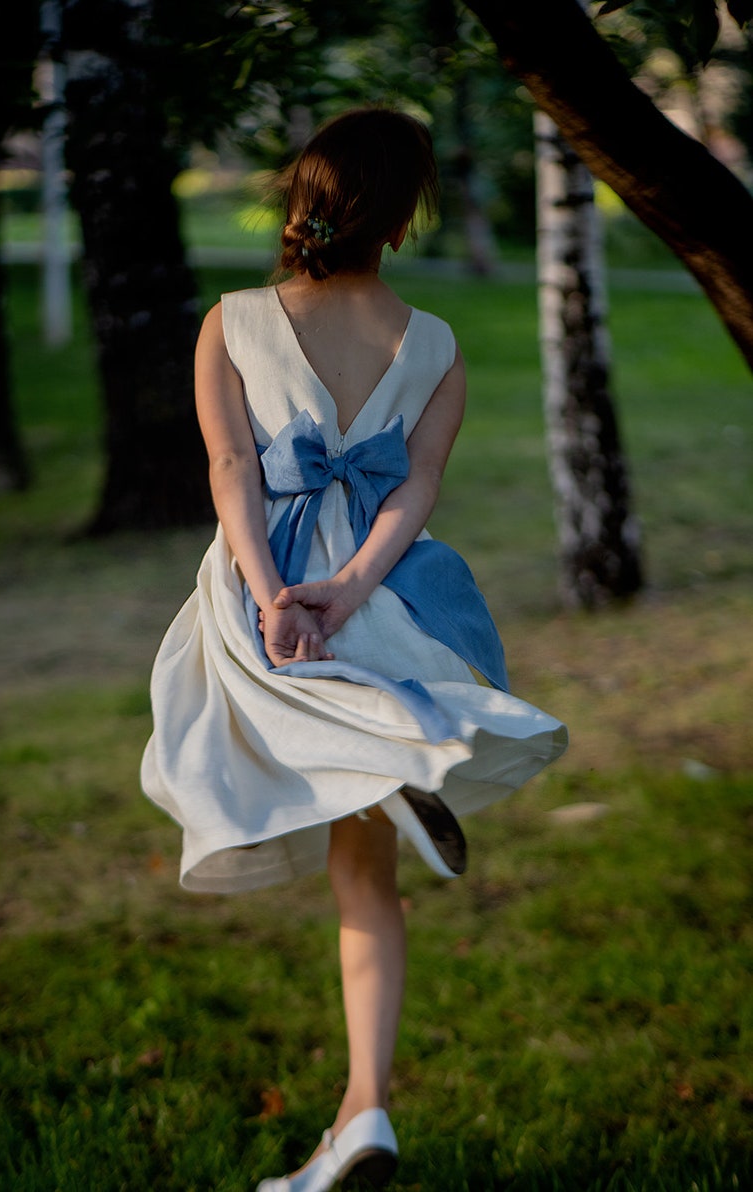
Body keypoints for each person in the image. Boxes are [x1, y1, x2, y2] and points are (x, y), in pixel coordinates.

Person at [141, 107, 568, 1192]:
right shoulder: (432, 344)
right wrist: (343, 587)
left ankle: (399, 752)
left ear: (304, 199)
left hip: (269, 585)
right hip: (377, 596)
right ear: (403, 216)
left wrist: (274, 588)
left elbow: (232, 468)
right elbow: (416, 486)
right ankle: (361, 1110)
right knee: (359, 862)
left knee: (241, 740)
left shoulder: (231, 320)